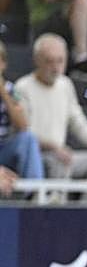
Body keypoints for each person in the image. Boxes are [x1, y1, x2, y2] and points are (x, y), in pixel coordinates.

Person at [13, 33, 87, 202]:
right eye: (49, 61)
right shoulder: (22, 87)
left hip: (61, 153)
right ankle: (57, 211)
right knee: (60, 160)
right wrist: (53, 147)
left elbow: (78, 121)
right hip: (36, 157)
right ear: (37, 60)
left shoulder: (65, 85)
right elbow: (24, 132)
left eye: (60, 61)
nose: (56, 68)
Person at [0, 40, 45, 185]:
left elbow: (23, 126)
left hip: (4, 149)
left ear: (3, 64)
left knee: (28, 138)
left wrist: (3, 93)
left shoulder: (11, 90)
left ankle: (35, 192)